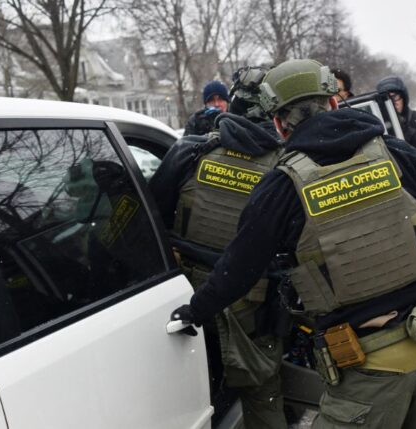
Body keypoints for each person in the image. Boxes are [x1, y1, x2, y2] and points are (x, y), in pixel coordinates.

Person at [170, 59, 416, 428]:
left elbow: (238, 270)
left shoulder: (282, 186)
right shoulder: (397, 154)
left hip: (368, 371)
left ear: (278, 123)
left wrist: (194, 310)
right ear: (336, 102)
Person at [150, 68, 287, 429]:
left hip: (188, 301)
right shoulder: (287, 169)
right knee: (263, 394)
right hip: (253, 311)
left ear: (234, 105)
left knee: (193, 399)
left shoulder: (191, 152)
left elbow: (147, 219)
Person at [376, 76, 416, 159]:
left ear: (404, 98)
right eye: (386, 99)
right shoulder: (377, 125)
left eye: (395, 97)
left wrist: (404, 127)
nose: (392, 103)